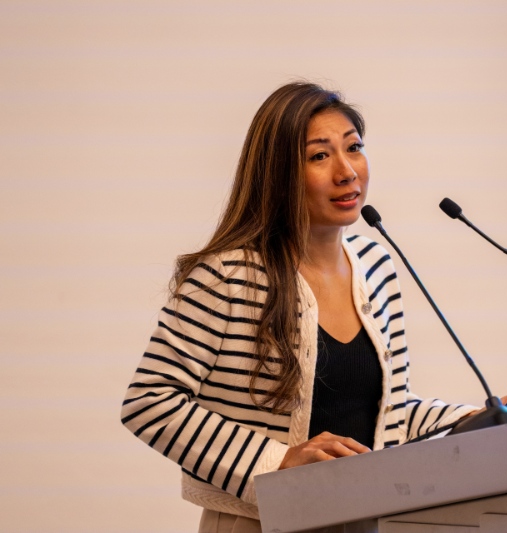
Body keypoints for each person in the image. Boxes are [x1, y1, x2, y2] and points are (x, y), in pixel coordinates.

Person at [120, 82, 479, 532]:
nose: (347, 171)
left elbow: (389, 414)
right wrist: (279, 462)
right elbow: (149, 401)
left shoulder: (377, 266)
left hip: (366, 519)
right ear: (278, 174)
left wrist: (479, 418)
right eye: (319, 156)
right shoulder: (227, 276)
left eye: (354, 148)